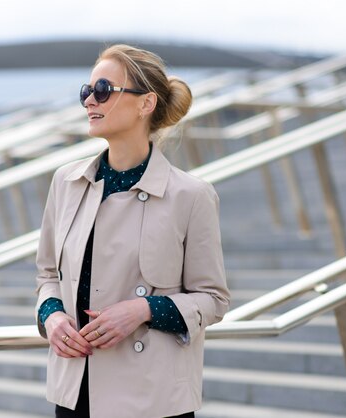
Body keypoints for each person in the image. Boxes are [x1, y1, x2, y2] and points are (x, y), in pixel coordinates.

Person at [35, 44, 230, 418]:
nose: (90, 100)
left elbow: (213, 298)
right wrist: (53, 316)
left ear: (146, 104)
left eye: (103, 90)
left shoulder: (191, 196)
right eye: (86, 92)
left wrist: (143, 309)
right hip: (75, 389)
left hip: (152, 398)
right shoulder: (66, 182)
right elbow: (47, 274)